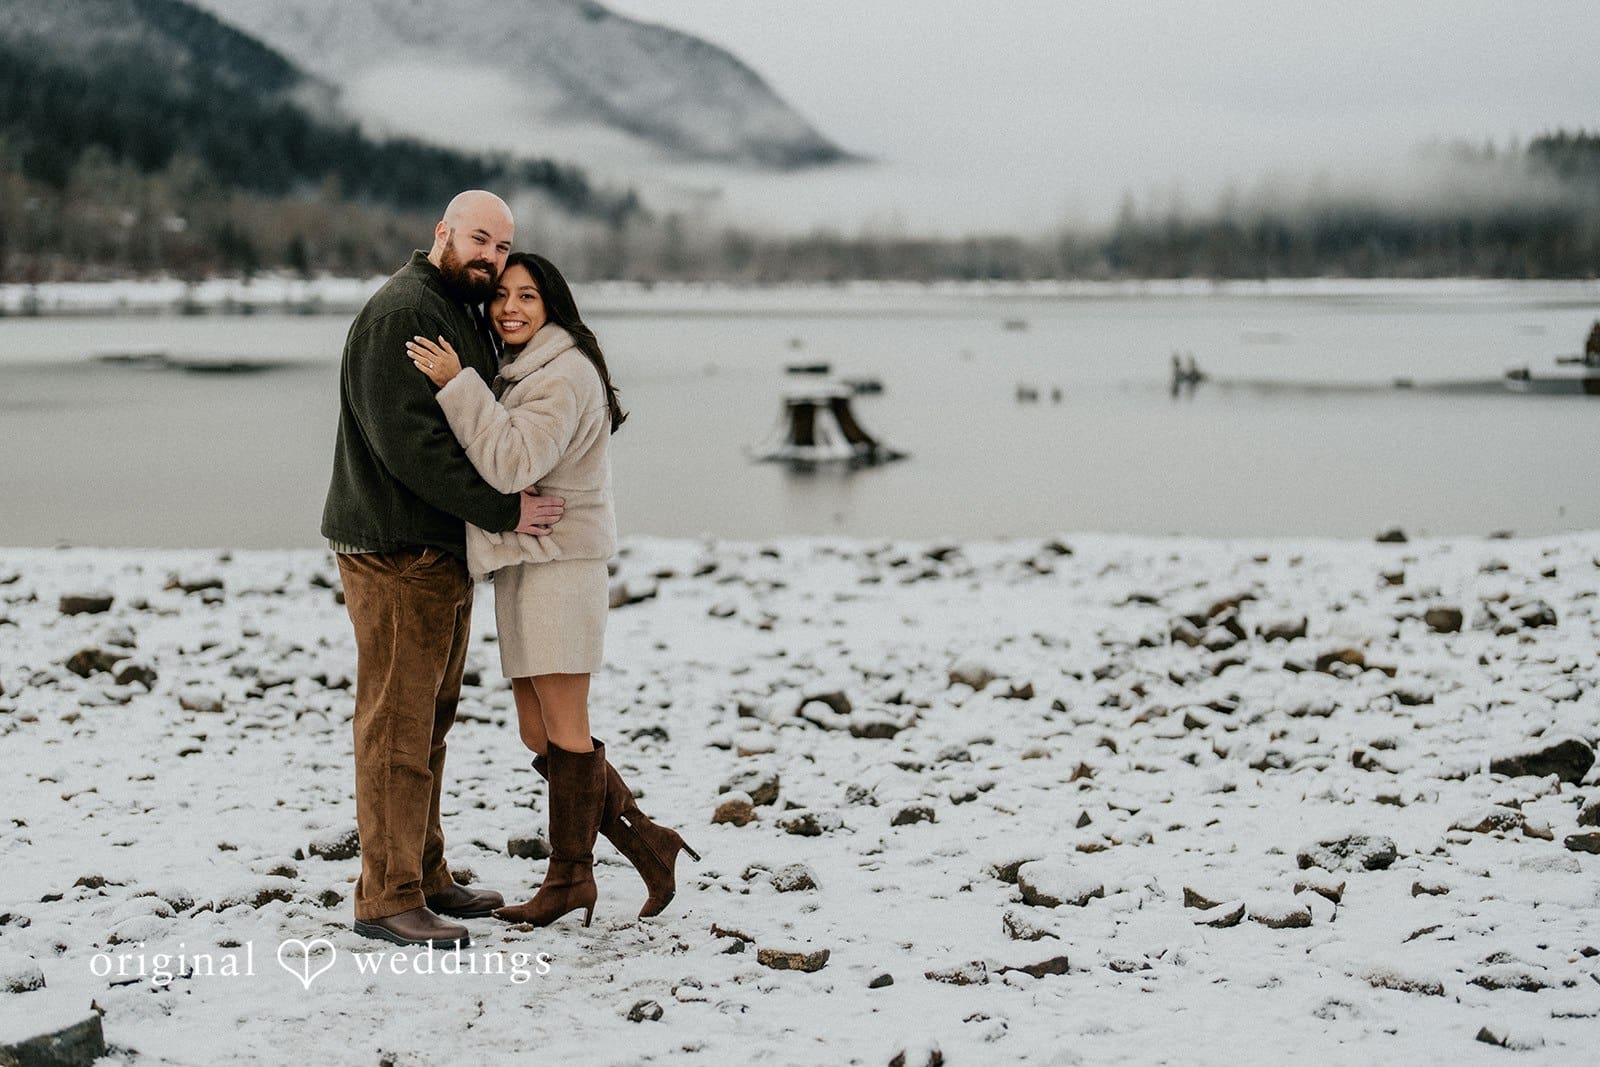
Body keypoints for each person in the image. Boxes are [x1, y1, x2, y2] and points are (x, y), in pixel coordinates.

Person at [405, 252, 697, 928]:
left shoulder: (562, 374)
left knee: (564, 730)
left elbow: (510, 460)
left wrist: (457, 383)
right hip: (528, 561)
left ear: (552, 305)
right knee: (540, 729)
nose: (510, 306)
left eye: (527, 296)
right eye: (502, 295)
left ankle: (571, 878)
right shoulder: (528, 367)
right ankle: (648, 842)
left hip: (562, 566)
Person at [321, 191, 566, 949]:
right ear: (442, 234)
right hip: (396, 550)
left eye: (502, 246)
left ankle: (425, 876)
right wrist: (504, 510)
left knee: (428, 722)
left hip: (438, 550)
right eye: (480, 239)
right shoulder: (402, 312)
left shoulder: (456, 308)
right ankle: (386, 897)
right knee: (395, 724)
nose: (491, 256)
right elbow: (414, 449)